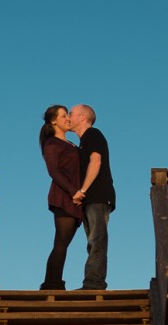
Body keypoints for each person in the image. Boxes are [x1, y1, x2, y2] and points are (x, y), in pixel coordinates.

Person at [68, 104, 116, 291]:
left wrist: (83, 190)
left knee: (97, 240)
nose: (68, 117)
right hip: (91, 198)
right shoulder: (83, 141)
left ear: (82, 118)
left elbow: (96, 161)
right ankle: (93, 282)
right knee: (93, 240)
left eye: (71, 114)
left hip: (98, 195)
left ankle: (94, 284)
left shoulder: (93, 134)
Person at [39, 105, 83, 290]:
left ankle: (52, 283)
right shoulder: (52, 144)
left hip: (76, 198)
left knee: (63, 243)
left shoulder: (71, 144)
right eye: (63, 116)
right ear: (53, 121)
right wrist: (73, 191)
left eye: (68, 115)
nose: (67, 119)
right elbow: (54, 171)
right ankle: (52, 284)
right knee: (61, 242)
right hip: (64, 197)